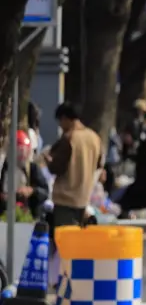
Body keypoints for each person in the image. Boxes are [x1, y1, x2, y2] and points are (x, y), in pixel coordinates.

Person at [47, 103, 102, 240]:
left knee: (65, 245)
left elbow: (57, 167)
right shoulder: (95, 137)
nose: (60, 125)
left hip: (65, 200)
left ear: (65, 118)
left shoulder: (69, 138)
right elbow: (99, 164)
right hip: (84, 200)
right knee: (78, 246)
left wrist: (48, 160)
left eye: (60, 121)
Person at [0, 130, 49, 219]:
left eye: (24, 150)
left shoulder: (32, 168)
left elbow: (45, 192)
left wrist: (32, 191)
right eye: (18, 150)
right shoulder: (3, 168)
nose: (22, 154)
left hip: (28, 215)